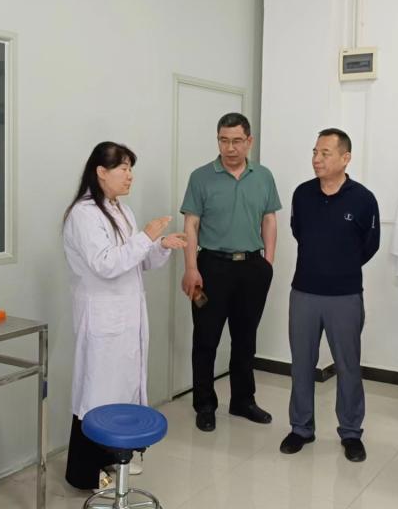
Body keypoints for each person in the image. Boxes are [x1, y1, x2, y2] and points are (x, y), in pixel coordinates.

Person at [62, 142, 187, 490]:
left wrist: (159, 245)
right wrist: (146, 237)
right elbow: (105, 263)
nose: (130, 175)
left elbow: (136, 261)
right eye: (123, 168)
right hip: (102, 317)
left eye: (131, 168)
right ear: (101, 172)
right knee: (96, 394)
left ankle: (114, 460)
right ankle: (85, 473)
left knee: (119, 391)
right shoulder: (84, 214)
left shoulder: (122, 210)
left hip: (126, 317)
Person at [279, 129, 379, 462]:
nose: (317, 159)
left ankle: (350, 432)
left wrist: (341, 266)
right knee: (301, 364)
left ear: (345, 158)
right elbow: (299, 232)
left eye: (325, 153)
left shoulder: (363, 199)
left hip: (344, 296)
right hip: (304, 293)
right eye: (315, 152)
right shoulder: (302, 194)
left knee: (348, 366)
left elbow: (370, 245)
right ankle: (301, 428)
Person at [180, 112, 282, 432]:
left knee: (245, 338)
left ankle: (242, 401)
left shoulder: (263, 176)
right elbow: (191, 224)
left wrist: (268, 263)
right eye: (224, 140)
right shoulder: (201, 177)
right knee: (205, 338)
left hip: (252, 268)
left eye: (237, 141)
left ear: (249, 141)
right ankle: (204, 404)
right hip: (210, 268)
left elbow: (269, 219)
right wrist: (191, 268)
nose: (230, 148)